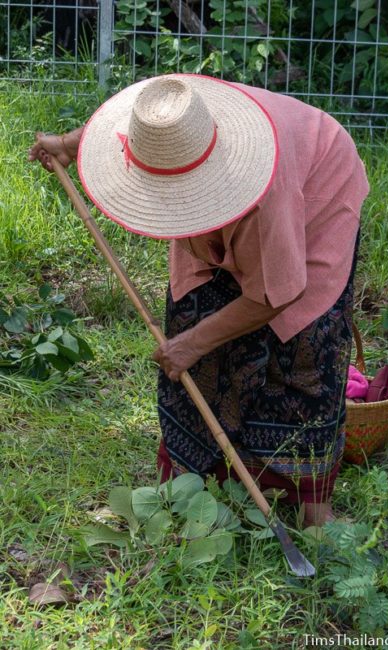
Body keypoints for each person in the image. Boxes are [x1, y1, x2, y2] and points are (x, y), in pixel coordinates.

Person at [29, 74, 369, 527]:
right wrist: (69, 145)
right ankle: (196, 477)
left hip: (315, 192)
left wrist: (193, 343)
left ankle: (313, 509)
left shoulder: (266, 192)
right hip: (237, 186)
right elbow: (128, 128)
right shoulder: (172, 114)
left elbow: (274, 295)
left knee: (302, 345)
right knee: (193, 315)